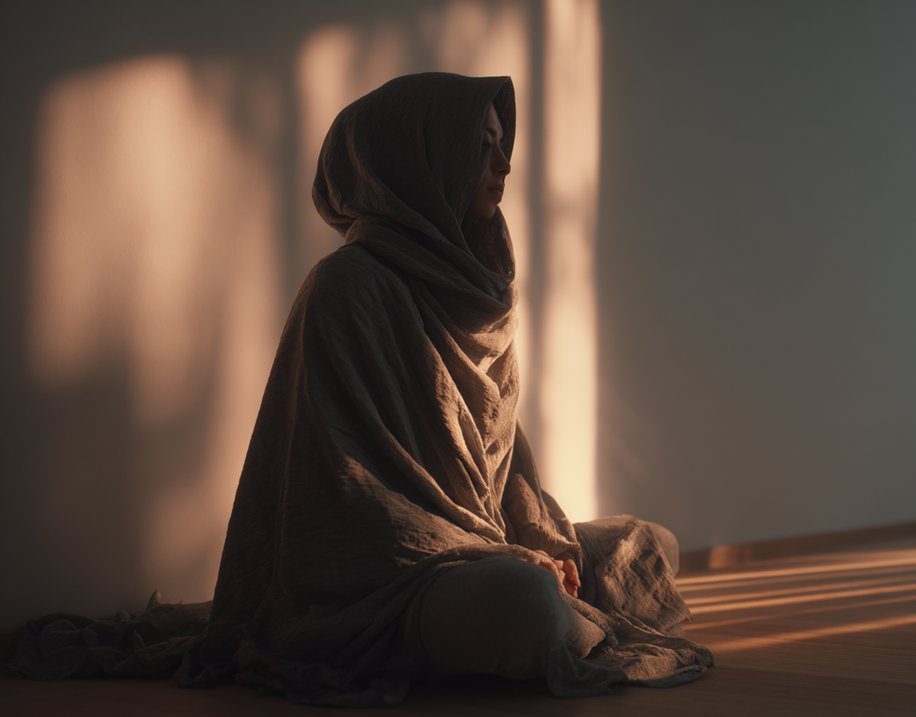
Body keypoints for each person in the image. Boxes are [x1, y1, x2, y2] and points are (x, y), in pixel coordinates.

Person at [7, 72, 711, 706]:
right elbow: (348, 499)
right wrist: (518, 562)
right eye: (481, 145)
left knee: (649, 545)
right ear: (418, 157)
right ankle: (528, 619)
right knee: (525, 603)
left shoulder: (479, 290)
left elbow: (505, 459)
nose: (502, 164)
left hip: (483, 546)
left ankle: (540, 608)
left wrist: (537, 536)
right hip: (387, 577)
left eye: (502, 145)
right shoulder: (346, 287)